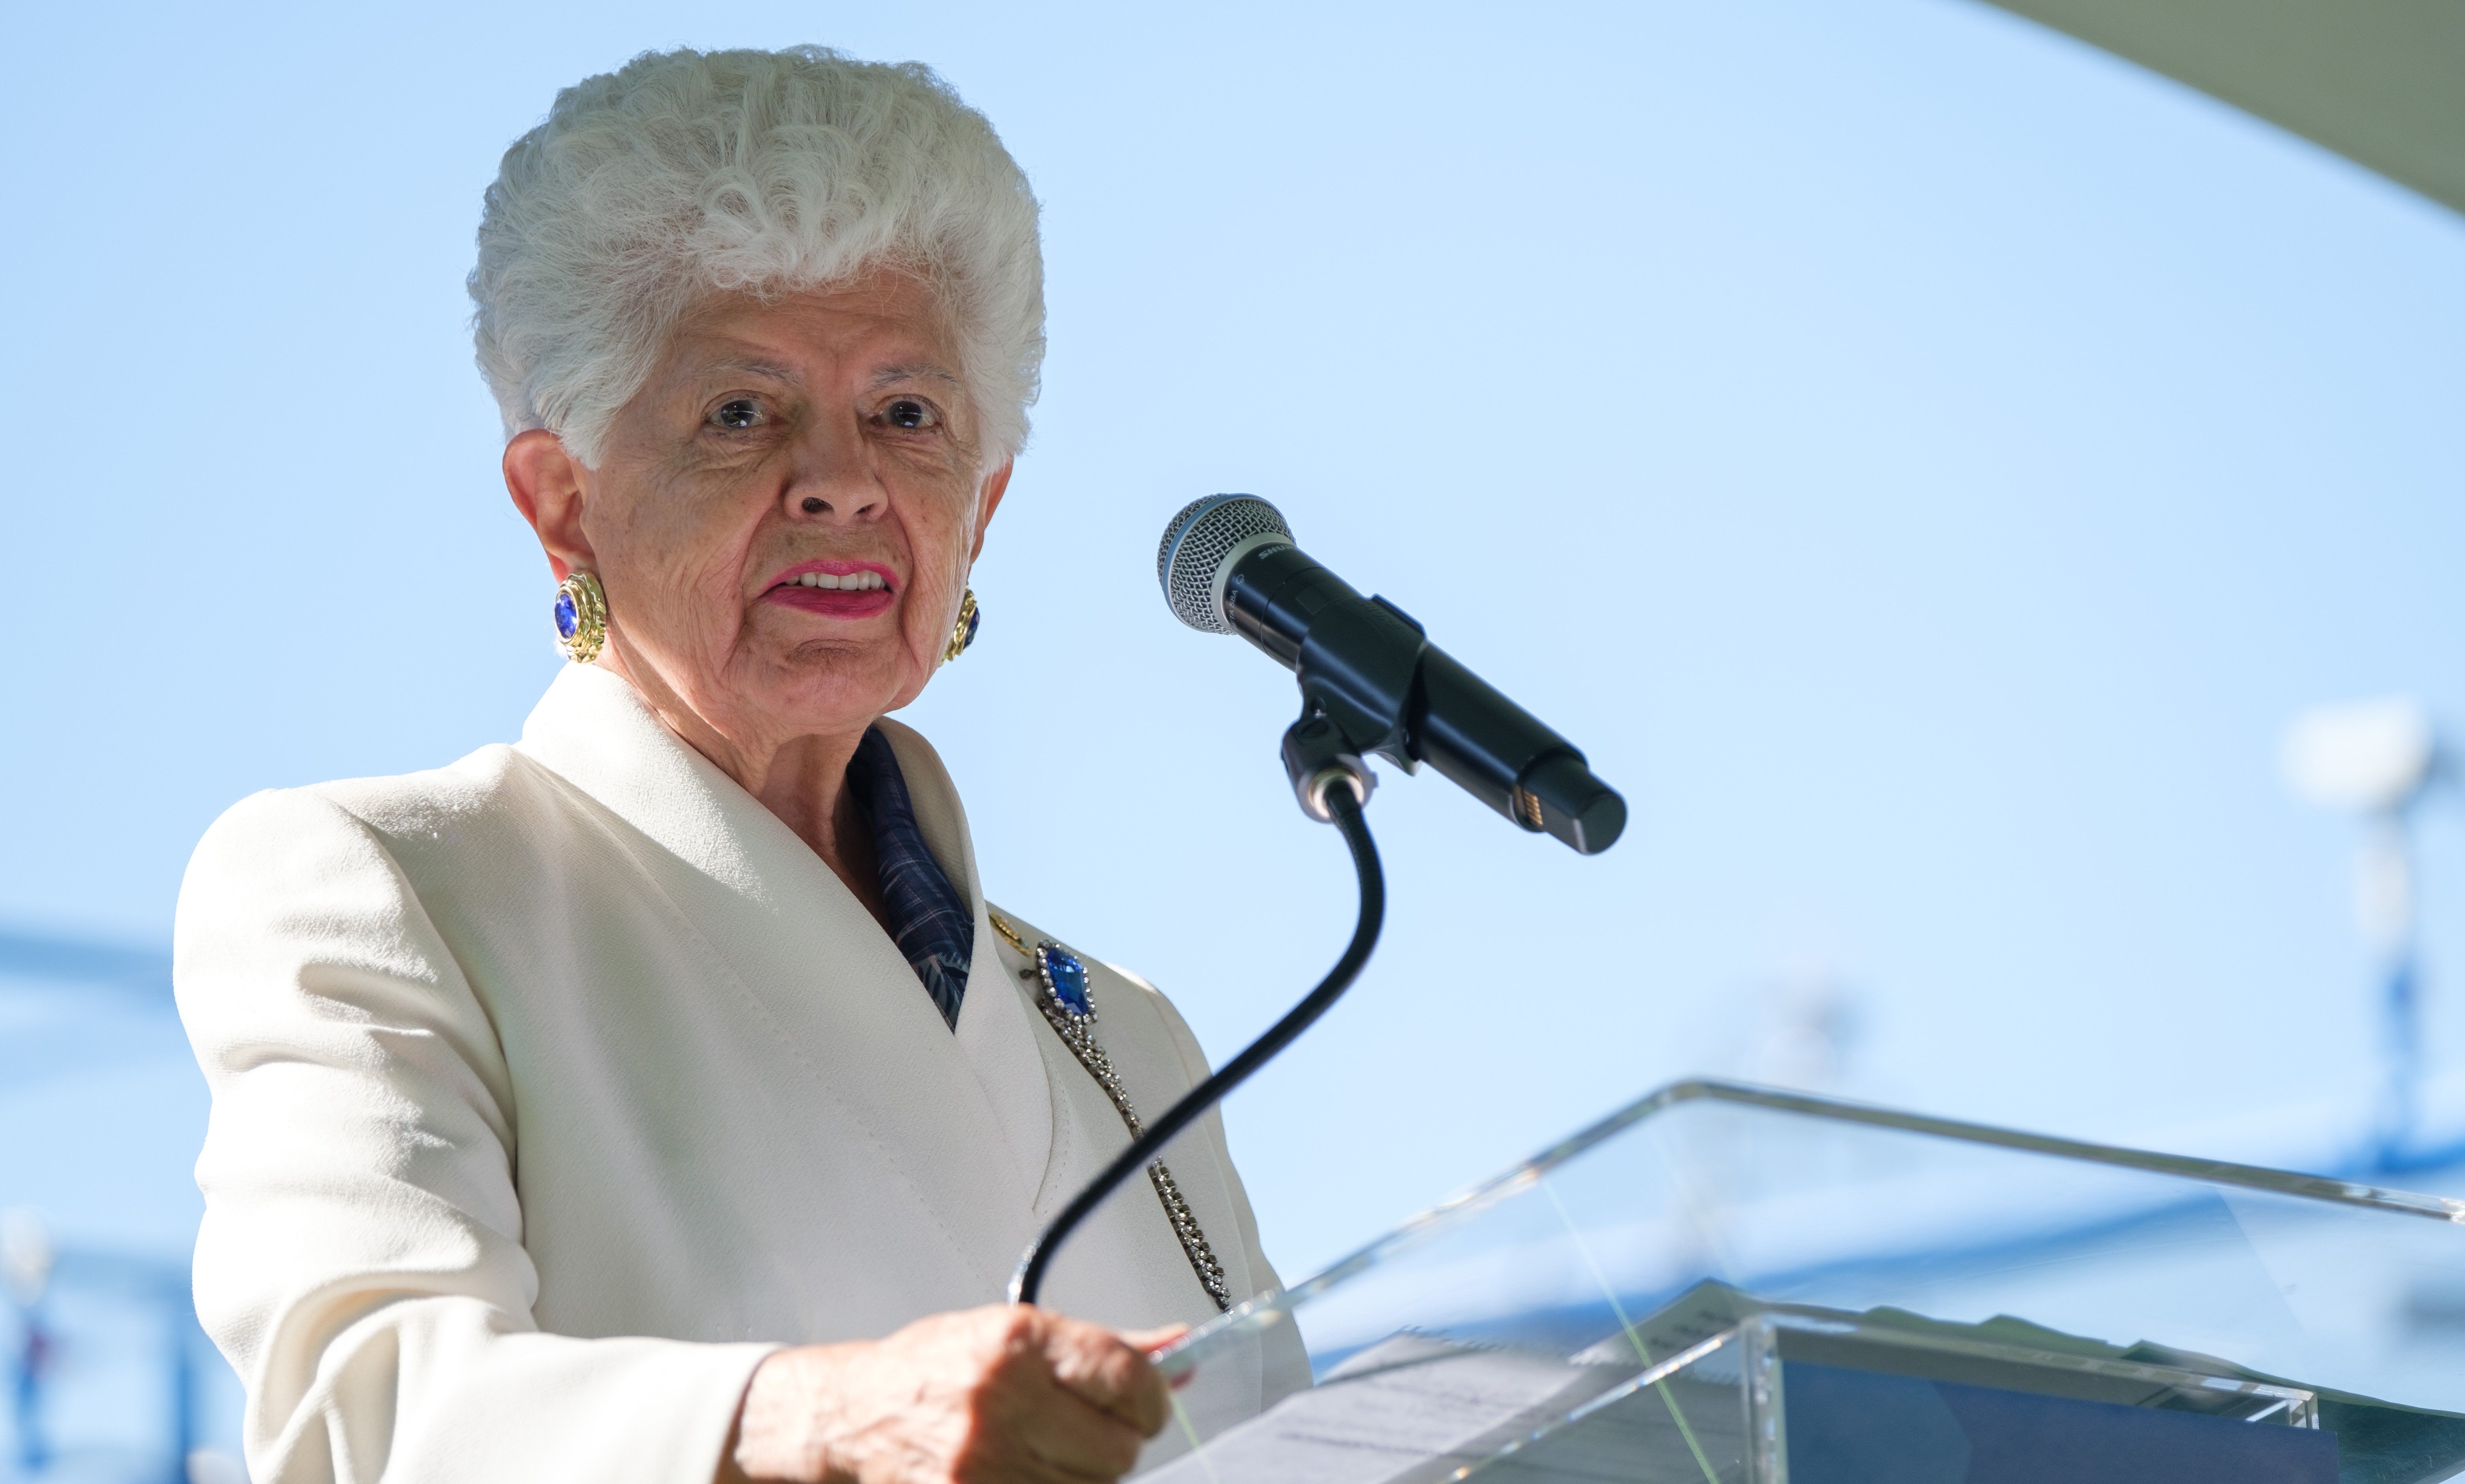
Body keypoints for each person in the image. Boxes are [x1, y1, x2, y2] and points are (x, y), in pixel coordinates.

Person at [173, 46, 1301, 1484]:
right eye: (741, 412)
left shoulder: (1124, 1032)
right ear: (562, 502)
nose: (843, 478)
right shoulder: (389, 890)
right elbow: (371, 1418)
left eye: (908, 414)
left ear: (984, 506)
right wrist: (816, 1421)